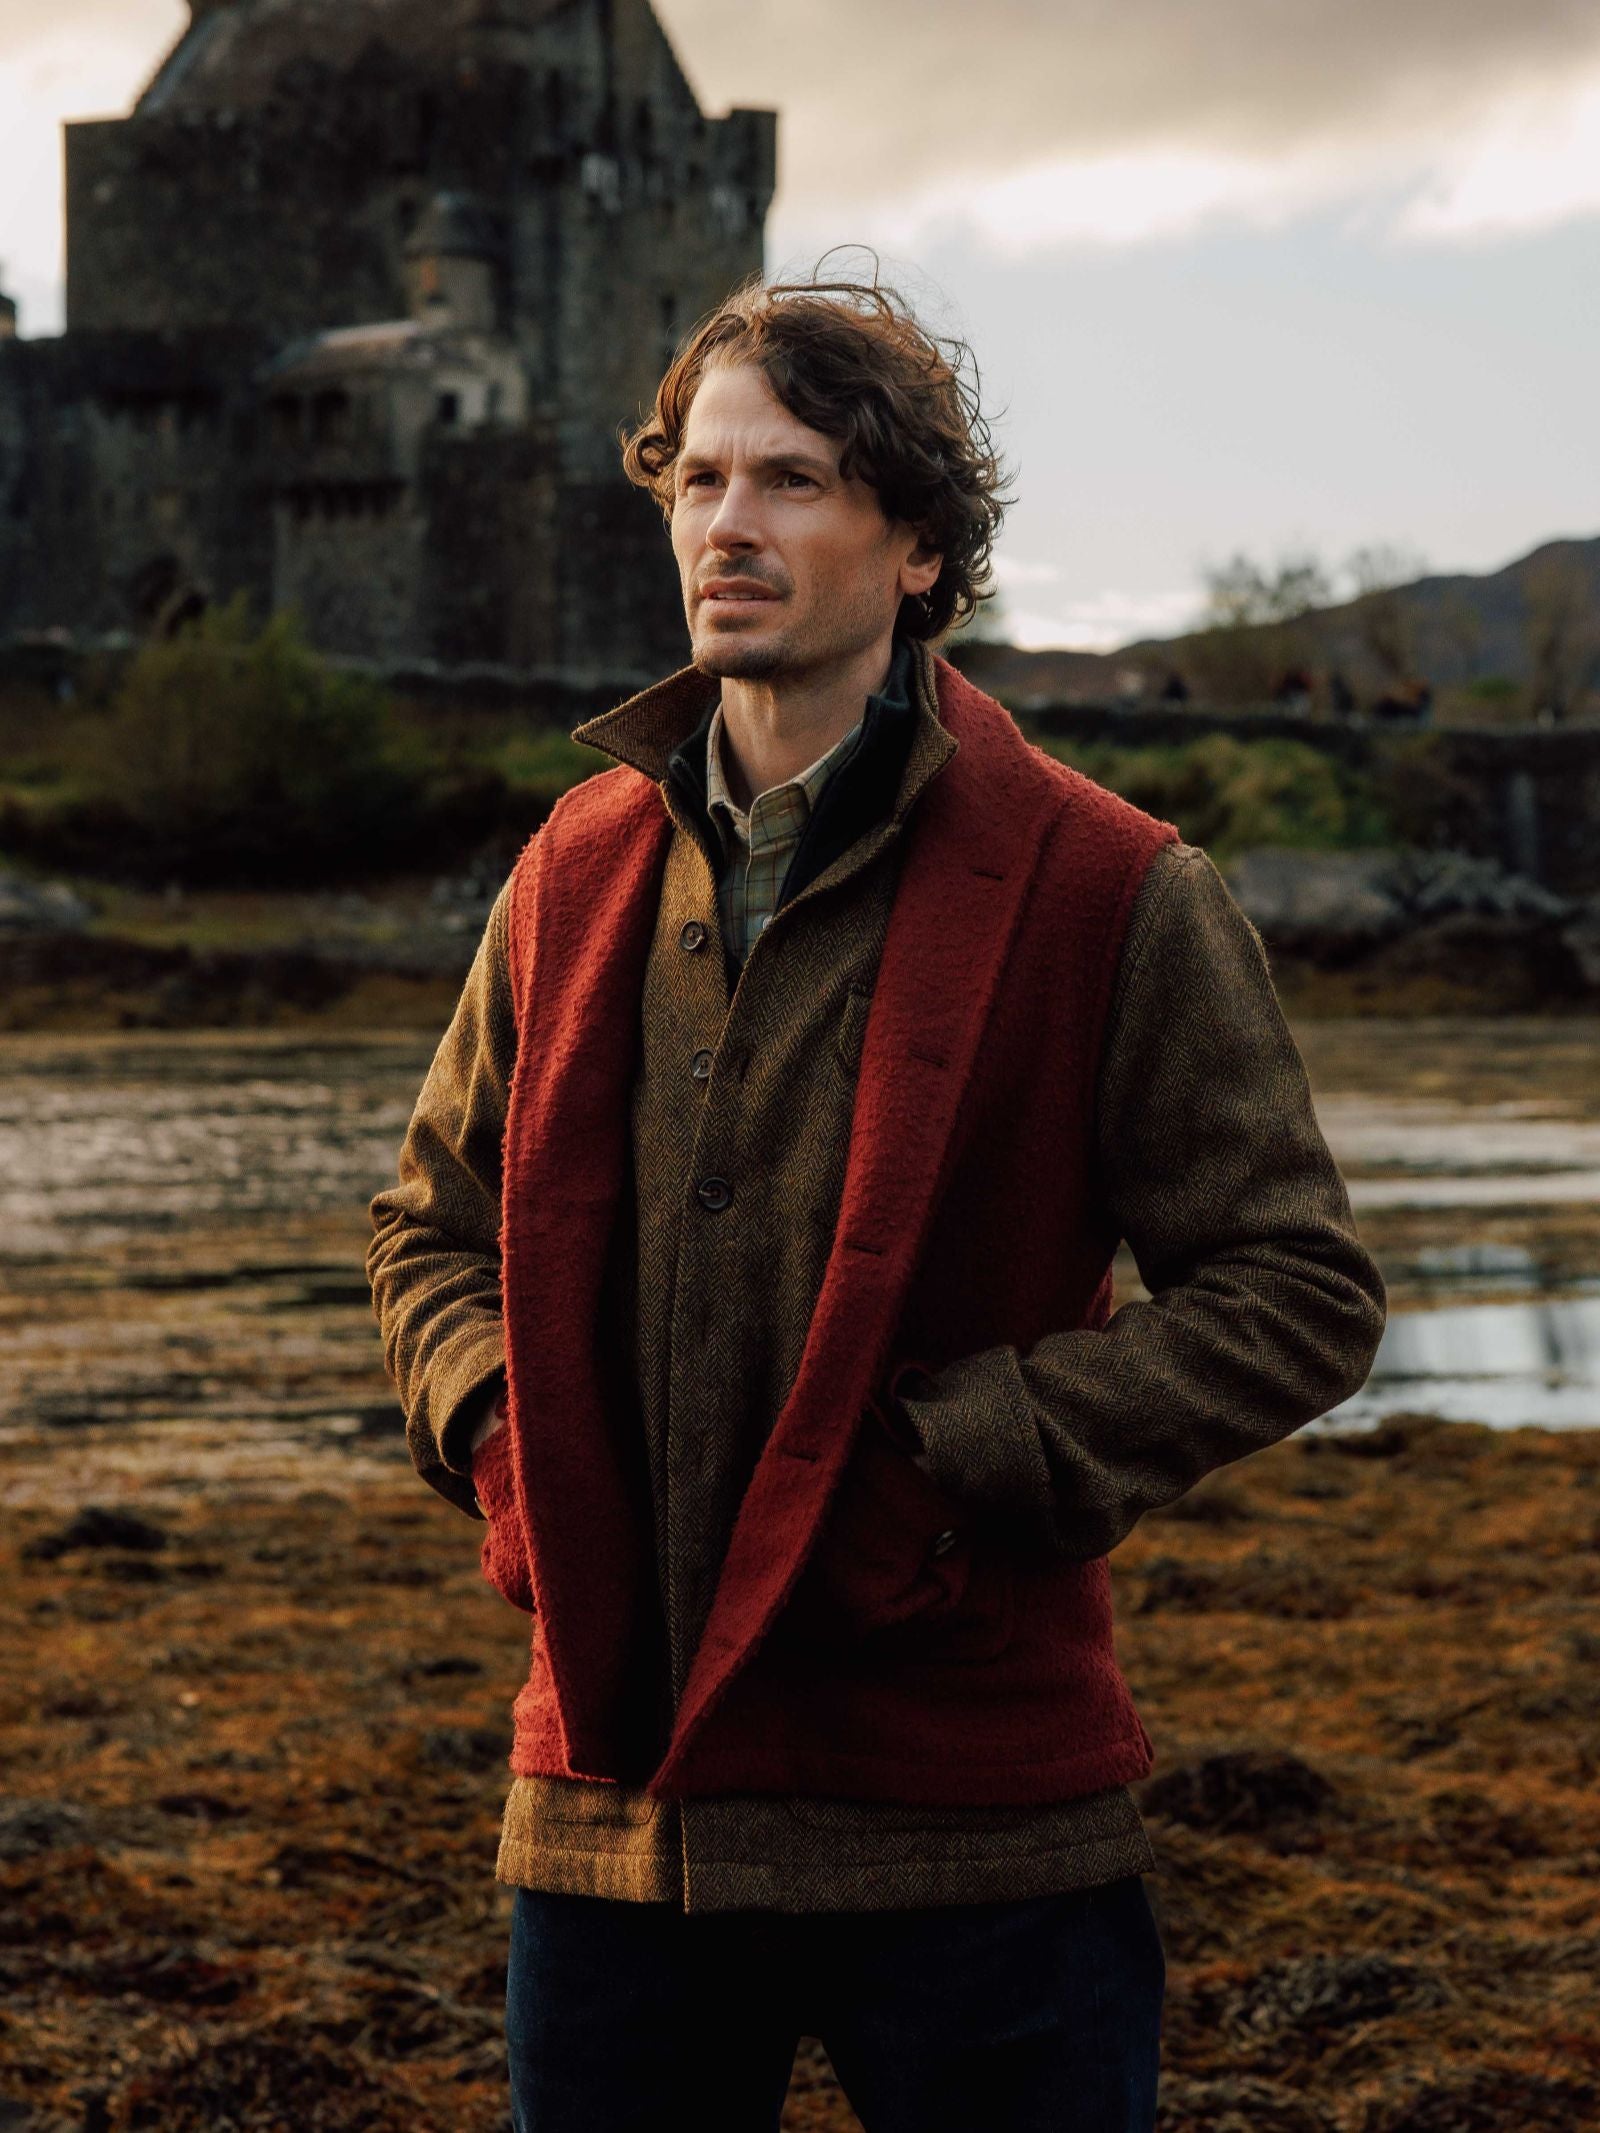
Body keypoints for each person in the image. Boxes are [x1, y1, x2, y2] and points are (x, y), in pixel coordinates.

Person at [366, 268, 1387, 2133]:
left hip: (971, 1817)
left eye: (798, 481)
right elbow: (428, 1228)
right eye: (696, 478)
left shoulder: (1116, 888)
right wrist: (508, 1439)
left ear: (920, 546)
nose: (728, 523)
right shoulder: (569, 868)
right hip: (612, 1822)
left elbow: (1298, 1291)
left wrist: (962, 1455)